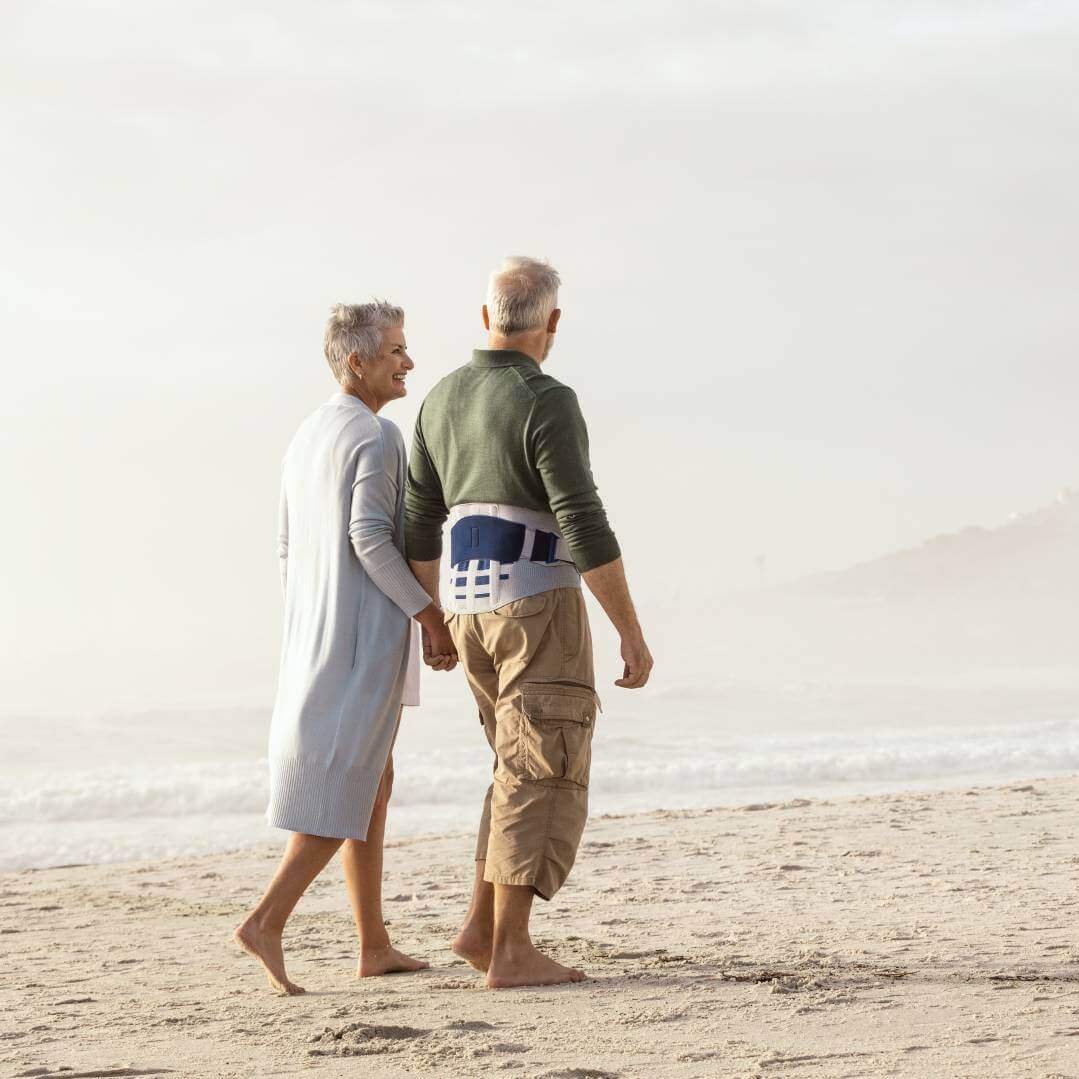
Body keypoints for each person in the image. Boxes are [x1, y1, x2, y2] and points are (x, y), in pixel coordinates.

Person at [405, 257, 653, 988]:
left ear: (485, 317)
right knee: (542, 767)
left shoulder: (438, 398)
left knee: (512, 766)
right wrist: (628, 629)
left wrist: (434, 619)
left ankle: (482, 929)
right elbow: (580, 518)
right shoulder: (545, 397)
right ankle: (512, 949)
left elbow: (419, 520)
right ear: (551, 322)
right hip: (537, 599)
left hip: (466, 604)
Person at [235, 302, 457, 995]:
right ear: (355, 361)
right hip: (361, 636)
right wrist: (430, 615)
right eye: (394, 349)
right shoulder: (376, 434)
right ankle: (265, 920)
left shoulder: (306, 434)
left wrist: (309, 610)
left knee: (373, 782)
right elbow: (369, 536)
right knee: (349, 788)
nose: (408, 361)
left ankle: (373, 942)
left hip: (312, 631)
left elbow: (284, 546)